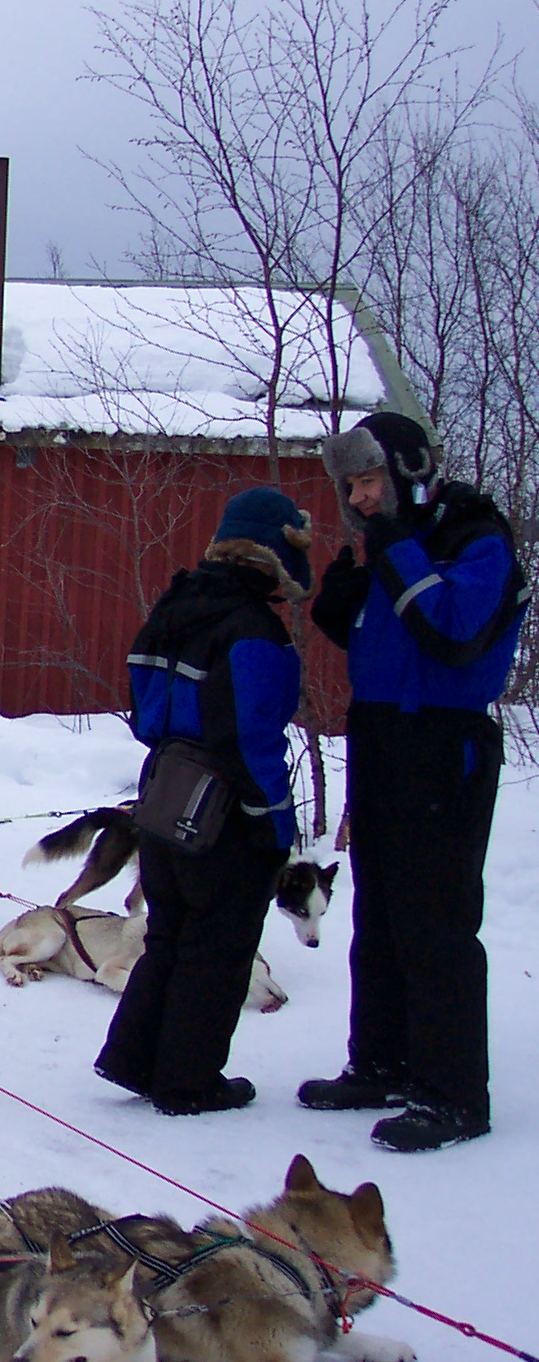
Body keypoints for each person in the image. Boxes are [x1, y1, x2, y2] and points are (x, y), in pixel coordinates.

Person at [302, 411, 529, 1151]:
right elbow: (387, 635)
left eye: (370, 480)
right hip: (381, 733)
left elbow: (454, 635)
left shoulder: (475, 537)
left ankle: (453, 1094)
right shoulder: (401, 547)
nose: (361, 498)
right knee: (380, 913)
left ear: (405, 471)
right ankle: (382, 1062)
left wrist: (395, 552)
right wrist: (343, 594)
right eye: (352, 486)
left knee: (436, 922)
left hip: (444, 741)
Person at [92, 488, 312, 1117]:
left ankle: (134, 1059)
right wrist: (273, 824)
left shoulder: (176, 604)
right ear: (276, 554)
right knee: (217, 949)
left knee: (169, 936)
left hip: (163, 790)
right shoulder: (254, 629)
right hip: (223, 810)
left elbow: (141, 700)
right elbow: (253, 737)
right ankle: (188, 1084)